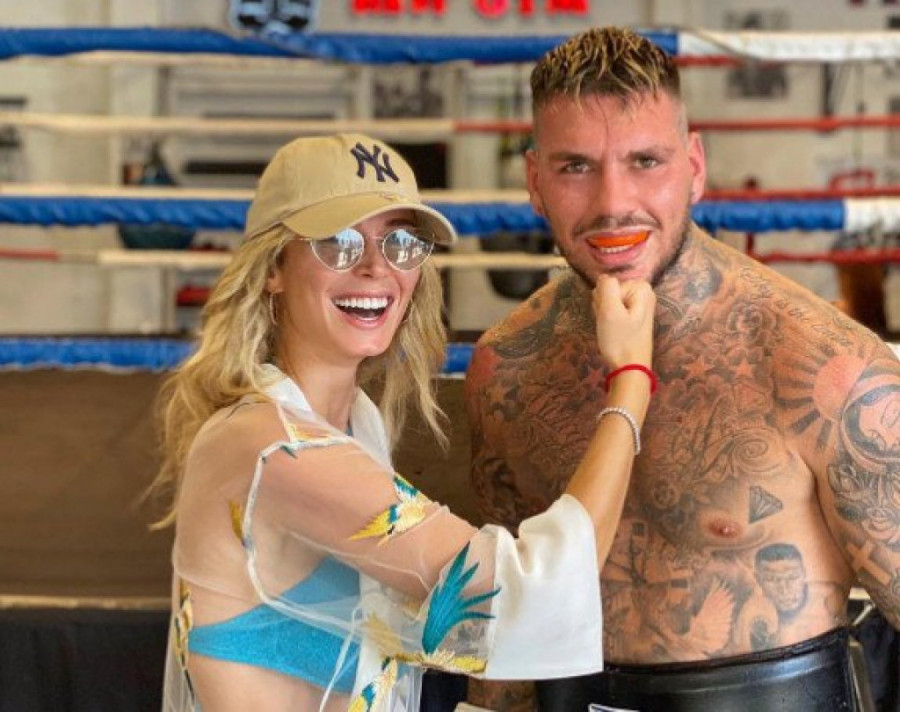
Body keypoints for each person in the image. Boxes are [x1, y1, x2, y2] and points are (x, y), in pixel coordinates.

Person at [465, 27, 900, 712]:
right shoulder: (507, 371)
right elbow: (507, 638)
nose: (613, 202)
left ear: (694, 167)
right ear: (535, 182)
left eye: (646, 161)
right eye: (576, 166)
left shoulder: (823, 369)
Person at [150, 132, 657, 711]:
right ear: (274, 268)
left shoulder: (349, 425)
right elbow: (532, 593)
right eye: (338, 242)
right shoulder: (276, 449)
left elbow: (434, 634)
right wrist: (633, 376)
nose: (375, 267)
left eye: (400, 242)